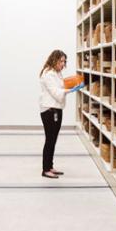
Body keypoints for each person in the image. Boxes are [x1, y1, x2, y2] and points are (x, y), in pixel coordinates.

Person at [39, 50, 83, 178]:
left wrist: (72, 84)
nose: (63, 64)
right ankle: (45, 170)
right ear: (54, 60)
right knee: (50, 140)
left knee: (53, 140)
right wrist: (70, 90)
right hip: (49, 110)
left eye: (64, 61)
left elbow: (61, 86)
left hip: (56, 109)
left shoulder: (57, 73)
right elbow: (56, 93)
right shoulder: (48, 74)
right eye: (61, 61)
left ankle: (50, 166)